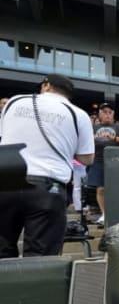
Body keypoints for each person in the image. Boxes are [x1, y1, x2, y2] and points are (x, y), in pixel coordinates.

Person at [0, 74, 94, 257]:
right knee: (40, 256)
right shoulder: (78, 114)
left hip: (6, 179)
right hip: (48, 185)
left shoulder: (14, 102)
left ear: (46, 86)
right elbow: (87, 159)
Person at [86, 102, 119, 226]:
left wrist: (113, 138)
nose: (107, 115)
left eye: (109, 112)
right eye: (104, 112)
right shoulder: (93, 128)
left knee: (116, 188)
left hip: (115, 159)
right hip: (98, 159)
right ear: (100, 114)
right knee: (100, 188)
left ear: (113, 115)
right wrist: (94, 138)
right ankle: (104, 213)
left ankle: (116, 212)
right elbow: (84, 140)